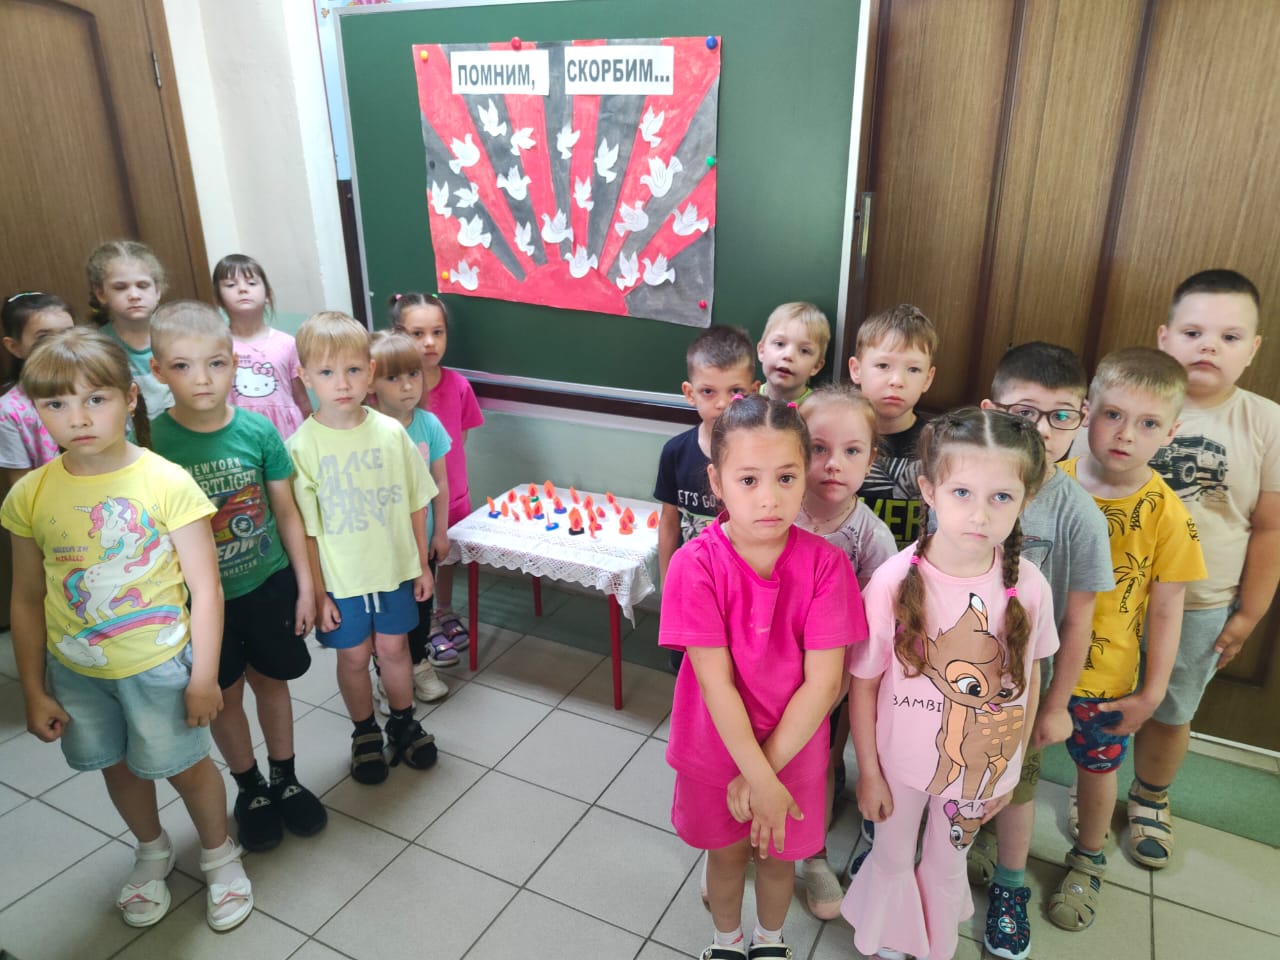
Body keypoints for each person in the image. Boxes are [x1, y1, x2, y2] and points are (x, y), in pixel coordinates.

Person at [0, 327, 252, 931]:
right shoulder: (30, 494)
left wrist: (204, 677)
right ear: (35, 410)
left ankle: (219, 854)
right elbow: (27, 598)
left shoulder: (166, 481)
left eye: (96, 398)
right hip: (78, 670)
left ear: (130, 398)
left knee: (187, 767)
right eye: (56, 403)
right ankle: (152, 849)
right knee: (116, 764)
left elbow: (206, 589)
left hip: (160, 666)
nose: (78, 417)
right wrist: (34, 688)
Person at [841, 408, 1057, 960]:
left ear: (1026, 498)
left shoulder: (1030, 586)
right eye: (962, 492)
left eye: (1001, 497)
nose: (979, 515)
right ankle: (891, 937)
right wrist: (869, 772)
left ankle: (935, 946)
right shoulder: (892, 581)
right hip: (897, 766)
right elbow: (862, 684)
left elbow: (1029, 677)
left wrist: (1008, 768)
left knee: (946, 862)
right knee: (892, 856)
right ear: (929, 490)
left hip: (976, 773)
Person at [659, 394, 866, 960]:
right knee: (726, 858)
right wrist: (758, 778)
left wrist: (768, 776)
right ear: (717, 481)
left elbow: (824, 685)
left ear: (806, 477)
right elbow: (715, 684)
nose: (769, 498)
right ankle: (726, 942)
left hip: (792, 753)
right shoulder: (695, 564)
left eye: (786, 478)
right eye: (748, 480)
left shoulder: (827, 565)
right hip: (716, 749)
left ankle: (770, 942)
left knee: (778, 861)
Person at [149, 301, 327, 853]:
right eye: (182, 366)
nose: (202, 379)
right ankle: (249, 787)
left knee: (271, 682)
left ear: (235, 363)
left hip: (266, 585)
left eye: (216, 363)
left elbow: (287, 513)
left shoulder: (258, 430)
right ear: (158, 371)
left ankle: (284, 776)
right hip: (199, 605)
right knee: (224, 694)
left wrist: (307, 586)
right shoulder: (151, 444)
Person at [965, 342, 1114, 960]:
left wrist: (1055, 705)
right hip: (950, 676)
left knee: (1017, 789)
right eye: (1024, 413)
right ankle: (940, 853)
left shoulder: (1078, 514)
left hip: (1020, 692)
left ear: (1082, 418)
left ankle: (1010, 885)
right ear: (991, 412)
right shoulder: (965, 484)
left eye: (1061, 415)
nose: (1043, 430)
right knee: (949, 770)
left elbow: (1079, 620)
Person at [1049, 347, 1206, 932]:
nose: (1124, 434)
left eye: (1147, 423)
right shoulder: (1047, 483)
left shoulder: (1168, 514)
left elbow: (1167, 609)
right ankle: (990, 832)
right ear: (1087, 411)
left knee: (1097, 771)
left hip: (1105, 680)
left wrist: (1152, 692)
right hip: (1031, 665)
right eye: (1113, 415)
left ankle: (1088, 859)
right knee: (1013, 757)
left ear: (1171, 433)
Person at [1130, 270, 1280, 868]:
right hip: (1115, 598)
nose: (1209, 346)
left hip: (1201, 604)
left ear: (1253, 349)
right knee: (1101, 698)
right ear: (1164, 337)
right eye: (1193, 332)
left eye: (1229, 336)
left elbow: (1270, 529)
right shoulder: (1125, 405)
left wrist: (1249, 614)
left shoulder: (1266, 422)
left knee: (1172, 710)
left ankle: (1150, 795)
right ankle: (1095, 785)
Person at [288, 311, 439, 785]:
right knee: (353, 657)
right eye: (327, 372)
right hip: (341, 581)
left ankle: (403, 721)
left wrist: (421, 566)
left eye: (353, 370)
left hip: (394, 571)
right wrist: (318, 593)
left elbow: (416, 503)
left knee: (395, 650)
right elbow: (307, 531)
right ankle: (364, 731)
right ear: (305, 376)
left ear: (370, 372)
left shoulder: (391, 433)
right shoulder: (301, 447)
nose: (342, 383)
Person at [793, 384, 896, 919]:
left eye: (852, 451)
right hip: (765, 673)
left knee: (815, 766)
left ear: (871, 459)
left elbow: (874, 631)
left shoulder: (872, 538)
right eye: (818, 448)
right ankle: (731, 843)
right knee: (746, 753)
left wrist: (836, 691)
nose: (834, 464)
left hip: (830, 684)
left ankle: (812, 854)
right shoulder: (775, 515)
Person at [390, 293, 482, 658]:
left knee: (446, 556)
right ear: (398, 334)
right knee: (417, 559)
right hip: (409, 503)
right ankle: (422, 621)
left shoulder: (458, 385)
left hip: (450, 493)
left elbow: (459, 440)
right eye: (418, 333)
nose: (429, 343)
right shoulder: (388, 392)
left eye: (437, 332)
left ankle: (443, 610)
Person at [367, 329, 454, 706]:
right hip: (380, 547)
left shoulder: (428, 425)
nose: (407, 386)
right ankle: (385, 671)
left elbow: (440, 482)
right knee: (385, 614)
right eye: (393, 377)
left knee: (420, 608)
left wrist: (441, 531)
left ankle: (418, 663)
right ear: (370, 381)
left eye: (413, 374)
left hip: (422, 544)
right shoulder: (364, 429)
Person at [655, 325, 759, 589]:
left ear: (754, 392)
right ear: (690, 394)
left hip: (743, 585)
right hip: (692, 581)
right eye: (708, 391)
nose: (722, 404)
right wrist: (667, 582)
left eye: (735, 391)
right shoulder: (675, 452)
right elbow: (669, 522)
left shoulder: (762, 456)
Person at [849, 304, 938, 549]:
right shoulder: (832, 436)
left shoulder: (939, 444)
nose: (897, 381)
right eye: (883, 366)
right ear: (856, 370)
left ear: (928, 378)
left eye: (913, 369)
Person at [213, 253, 312, 438]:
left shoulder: (287, 343)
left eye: (251, 283)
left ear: (267, 295)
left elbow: (302, 399)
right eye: (231, 285)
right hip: (239, 434)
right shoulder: (216, 346)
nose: (243, 289)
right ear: (219, 298)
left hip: (286, 434)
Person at [86, 240, 173, 419]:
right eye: (120, 287)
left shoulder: (180, 337)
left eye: (143, 285)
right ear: (101, 294)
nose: (134, 295)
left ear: (157, 291)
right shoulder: (95, 348)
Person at [0, 291, 75, 483]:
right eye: (43, 338)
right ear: (14, 347)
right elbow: (21, 484)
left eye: (69, 333)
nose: (60, 345)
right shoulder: (10, 411)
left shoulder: (99, 387)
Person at [756, 302, 829, 404]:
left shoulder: (818, 409)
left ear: (816, 366)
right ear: (762, 351)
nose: (788, 355)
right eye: (780, 344)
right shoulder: (744, 398)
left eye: (804, 350)